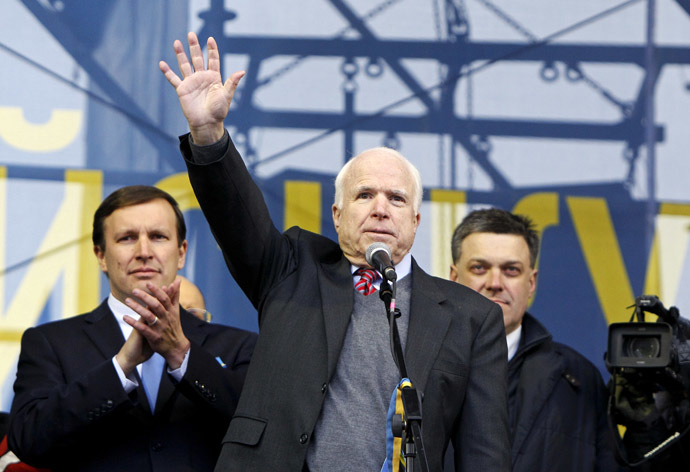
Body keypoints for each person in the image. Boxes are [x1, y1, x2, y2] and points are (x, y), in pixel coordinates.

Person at [158, 32, 510, 471]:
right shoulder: (291, 268)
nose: (381, 208)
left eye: (397, 199)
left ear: (416, 223)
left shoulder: (471, 317)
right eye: (364, 195)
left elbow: (485, 455)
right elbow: (236, 216)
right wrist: (209, 135)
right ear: (338, 214)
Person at [8, 185, 257, 472]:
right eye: (127, 238)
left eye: (158, 236)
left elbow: (267, 432)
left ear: (181, 253)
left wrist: (181, 355)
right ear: (100, 256)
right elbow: (28, 441)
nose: (144, 251)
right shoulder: (50, 343)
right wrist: (120, 366)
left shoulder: (239, 346)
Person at [449, 208, 618, 472]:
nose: (495, 282)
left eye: (511, 270)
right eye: (479, 268)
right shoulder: (415, 366)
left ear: (531, 283)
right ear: (454, 278)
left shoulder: (581, 380)